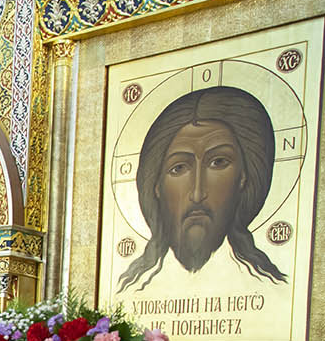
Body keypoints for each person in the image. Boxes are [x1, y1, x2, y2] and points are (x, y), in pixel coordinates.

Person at [117, 85, 286, 292]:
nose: (197, 194)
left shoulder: (268, 283)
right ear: (156, 185)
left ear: (243, 176)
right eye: (178, 168)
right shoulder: (134, 285)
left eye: (218, 162)